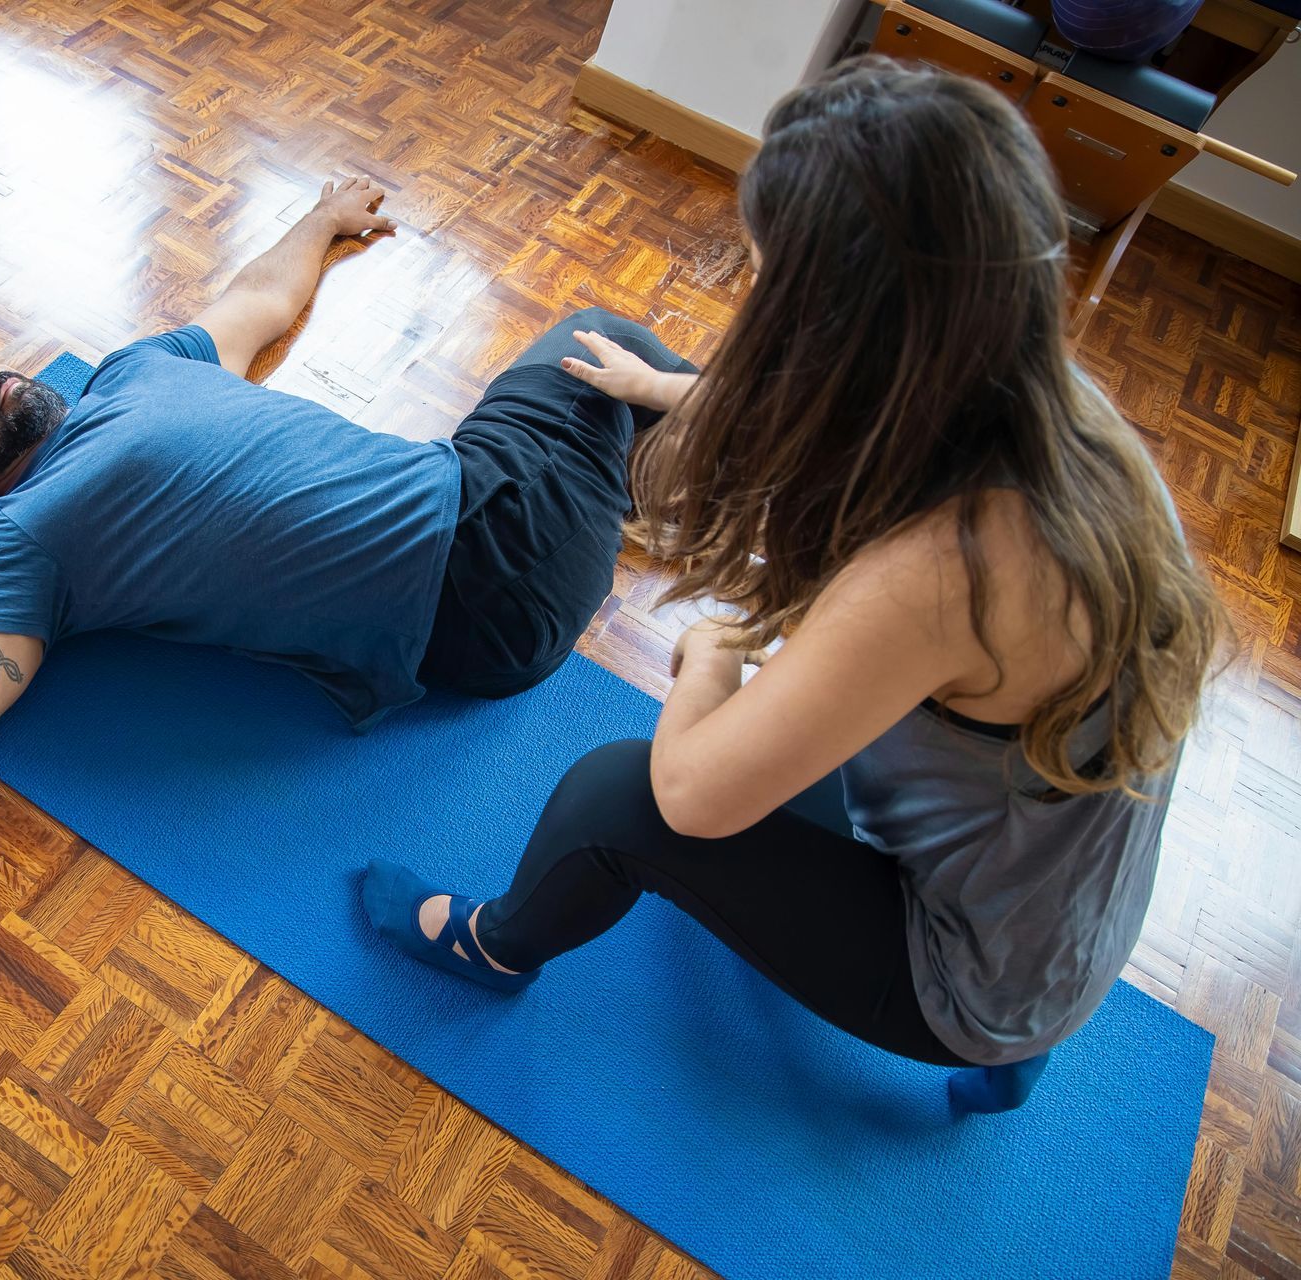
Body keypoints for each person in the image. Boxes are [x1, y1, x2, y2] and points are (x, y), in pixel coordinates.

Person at [0, 178, 696, 1112]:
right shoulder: (19, 544)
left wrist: (319, 219)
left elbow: (255, 304)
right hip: (484, 578)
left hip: (479, 500)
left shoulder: (128, 373)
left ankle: (650, 485)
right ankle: (712, 484)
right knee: (605, 340)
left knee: (599, 367)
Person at [364, 57, 1225, 1110]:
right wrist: (665, 389)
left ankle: (493, 947)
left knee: (621, 794)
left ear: (843, 327)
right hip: (1058, 914)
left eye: (768, 278)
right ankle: (1015, 1059)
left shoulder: (942, 572)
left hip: (956, 971)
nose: (756, 295)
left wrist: (718, 653)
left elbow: (694, 795)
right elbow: (840, 417)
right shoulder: (1071, 430)